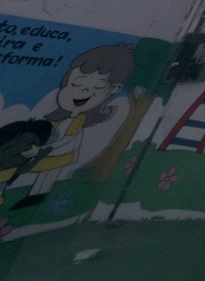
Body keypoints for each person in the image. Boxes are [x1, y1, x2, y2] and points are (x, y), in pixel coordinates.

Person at [13, 44, 135, 209]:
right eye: (76, 84)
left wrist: (43, 148)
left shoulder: (77, 120)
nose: (83, 91)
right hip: (53, 150)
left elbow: (68, 139)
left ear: (114, 89)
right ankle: (36, 196)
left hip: (61, 151)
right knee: (47, 173)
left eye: (97, 87)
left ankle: (37, 196)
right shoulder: (65, 117)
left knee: (49, 174)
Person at [0, 119, 52, 208]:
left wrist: (39, 156)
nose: (18, 151)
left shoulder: (10, 172)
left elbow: (24, 168)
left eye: (29, 147)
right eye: (10, 146)